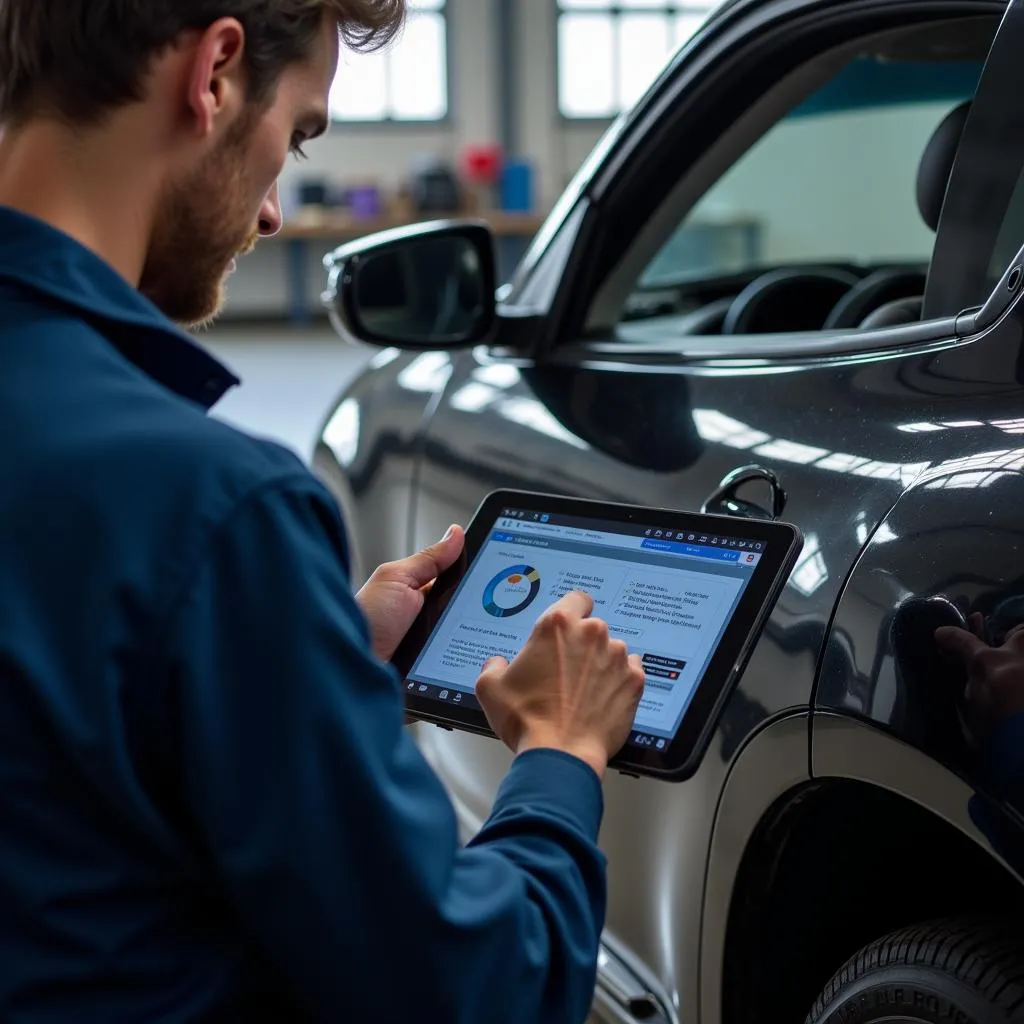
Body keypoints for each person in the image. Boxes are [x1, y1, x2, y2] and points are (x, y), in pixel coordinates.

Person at [0, 3, 647, 1022]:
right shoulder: (212, 508)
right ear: (213, 74)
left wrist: (303, 649)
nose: (270, 214)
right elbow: (478, 991)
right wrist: (560, 754)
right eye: (297, 134)